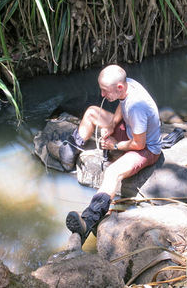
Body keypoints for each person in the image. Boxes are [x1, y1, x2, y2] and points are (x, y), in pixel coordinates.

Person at [60, 64, 162, 244]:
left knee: (112, 173)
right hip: (130, 130)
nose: (102, 95)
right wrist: (112, 125)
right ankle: (70, 151)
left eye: (104, 91)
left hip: (147, 148)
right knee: (92, 111)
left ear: (119, 87)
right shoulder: (128, 85)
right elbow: (122, 107)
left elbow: (139, 144)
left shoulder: (137, 107)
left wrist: (114, 145)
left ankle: (89, 220)